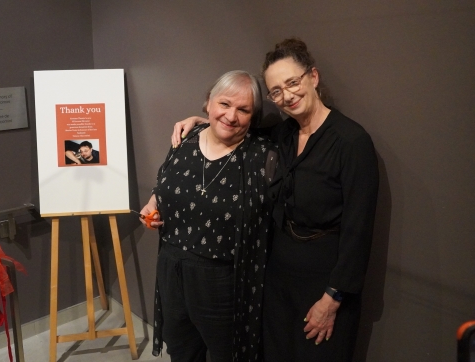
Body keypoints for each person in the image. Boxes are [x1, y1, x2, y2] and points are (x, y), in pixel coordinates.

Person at [171, 38, 379, 362]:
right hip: (277, 278)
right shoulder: (283, 134)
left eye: (292, 82)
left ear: (313, 77)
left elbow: (359, 230)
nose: (287, 95)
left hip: (323, 282)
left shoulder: (351, 142)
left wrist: (333, 298)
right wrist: (201, 124)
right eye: (276, 91)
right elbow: (234, 129)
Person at [139, 70, 277, 361]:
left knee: (227, 354)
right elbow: (163, 186)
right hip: (171, 268)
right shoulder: (183, 141)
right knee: (181, 352)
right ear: (208, 103)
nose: (231, 116)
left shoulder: (261, 156)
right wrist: (152, 205)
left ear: (253, 117)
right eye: (224, 104)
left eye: (243, 110)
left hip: (221, 280)